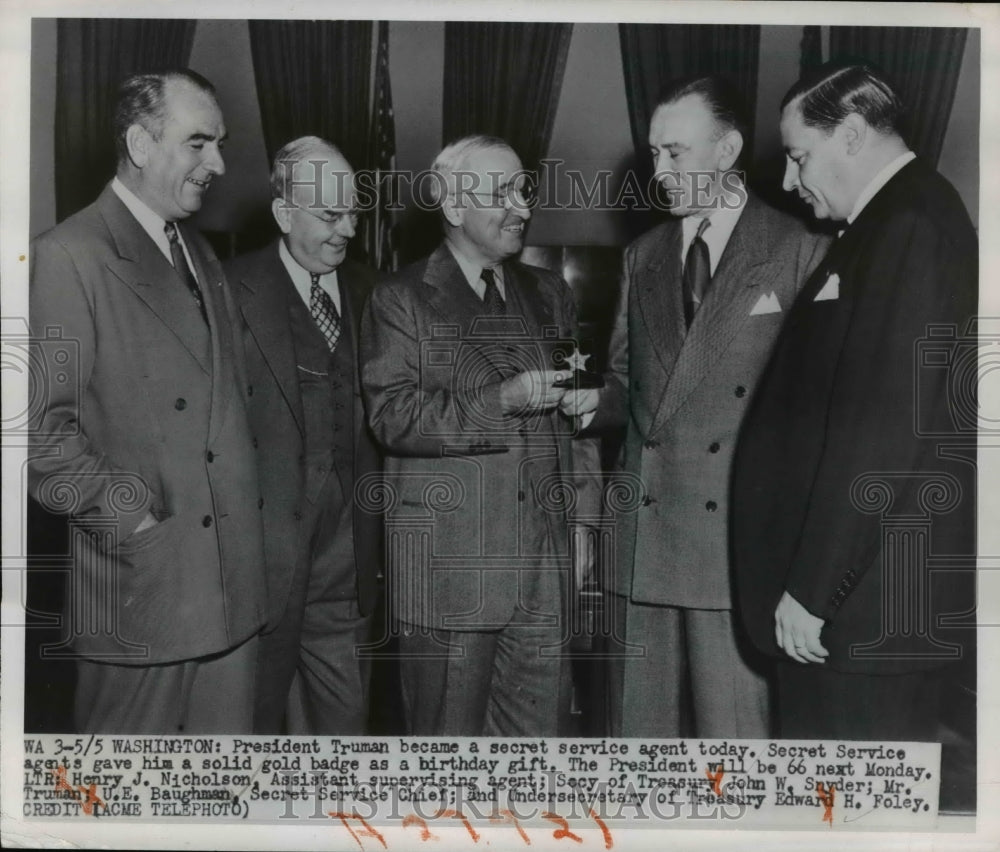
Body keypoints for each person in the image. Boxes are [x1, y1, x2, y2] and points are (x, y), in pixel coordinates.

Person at [731, 63, 977, 739]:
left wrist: (815, 591)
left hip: (857, 614)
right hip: (855, 609)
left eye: (797, 156)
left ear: (851, 135)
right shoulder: (893, 224)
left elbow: (882, 434)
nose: (788, 181)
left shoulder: (910, 226)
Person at [588, 76, 827, 737]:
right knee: (637, 754)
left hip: (733, 546)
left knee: (736, 752)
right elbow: (627, 381)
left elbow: (811, 410)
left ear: (726, 150)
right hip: (641, 540)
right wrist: (587, 403)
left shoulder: (799, 247)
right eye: (655, 155)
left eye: (675, 154)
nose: (659, 172)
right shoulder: (643, 256)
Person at [28, 69, 266, 733]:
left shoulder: (198, 252)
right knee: (120, 807)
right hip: (143, 592)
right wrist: (136, 523)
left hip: (231, 596)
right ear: (139, 143)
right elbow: (39, 438)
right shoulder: (67, 256)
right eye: (198, 143)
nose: (218, 163)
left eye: (218, 144)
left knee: (222, 808)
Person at [360, 135, 600, 736]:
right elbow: (393, 416)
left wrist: (585, 526)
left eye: (524, 189)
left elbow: (576, 426)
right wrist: (501, 401)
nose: (521, 206)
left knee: (533, 762)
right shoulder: (400, 299)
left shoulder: (551, 294)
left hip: (544, 572)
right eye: (502, 192)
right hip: (450, 573)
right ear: (452, 205)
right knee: (446, 763)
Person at [224, 137, 381, 734]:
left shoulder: (378, 294)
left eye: (353, 213)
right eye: (328, 215)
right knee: (250, 737)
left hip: (347, 564)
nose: (346, 230)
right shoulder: (226, 288)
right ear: (284, 213)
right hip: (258, 565)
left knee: (341, 740)